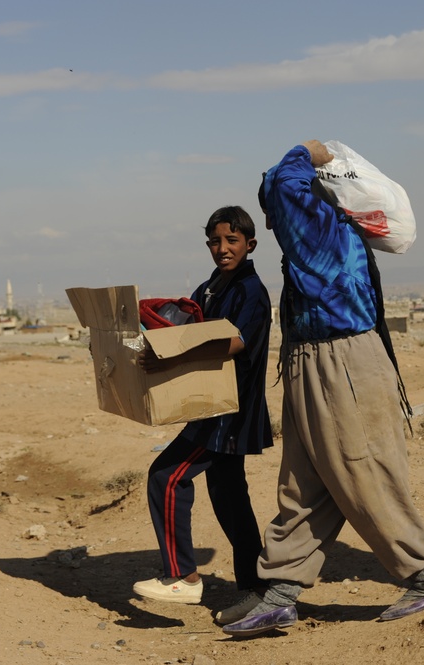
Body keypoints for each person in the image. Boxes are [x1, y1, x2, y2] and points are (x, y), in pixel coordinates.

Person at [222, 141, 424, 638]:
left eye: (272, 209)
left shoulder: (319, 227)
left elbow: (284, 183)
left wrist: (308, 150)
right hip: (312, 359)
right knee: (304, 483)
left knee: (363, 470)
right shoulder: (314, 233)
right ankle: (280, 592)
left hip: (343, 362)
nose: (271, 218)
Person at [132, 205, 274, 622]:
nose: (222, 248)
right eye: (215, 241)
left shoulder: (252, 291)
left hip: (229, 410)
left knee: (167, 477)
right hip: (211, 407)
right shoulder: (210, 287)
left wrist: (175, 354)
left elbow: (235, 342)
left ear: (250, 244)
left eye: (231, 241)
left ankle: (183, 576)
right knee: (230, 500)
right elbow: (182, 329)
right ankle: (256, 589)